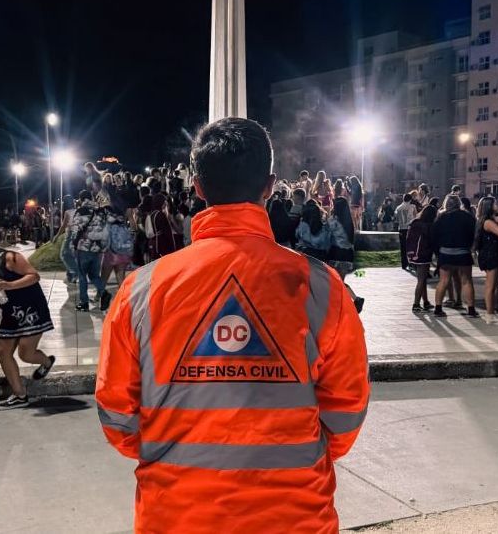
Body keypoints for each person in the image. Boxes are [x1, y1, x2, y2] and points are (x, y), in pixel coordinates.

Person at [96, 118, 369, 532]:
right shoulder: (321, 287)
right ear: (270, 186)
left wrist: (172, 454)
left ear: (198, 187)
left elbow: (117, 416)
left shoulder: (141, 290)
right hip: (294, 517)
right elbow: (345, 414)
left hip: (177, 516)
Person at [0, 236, 55, 410]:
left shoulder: (10, 258)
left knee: (25, 354)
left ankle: (46, 362)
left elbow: (34, 276)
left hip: (31, 310)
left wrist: (9, 285)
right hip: (11, 313)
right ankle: (20, 395)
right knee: (2, 352)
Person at [431, 194, 478, 318]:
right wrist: (470, 246)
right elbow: (474, 233)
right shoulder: (467, 216)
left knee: (443, 281)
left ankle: (438, 308)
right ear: (459, 204)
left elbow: (434, 236)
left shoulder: (441, 218)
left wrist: (437, 252)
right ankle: (471, 309)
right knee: (467, 280)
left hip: (445, 252)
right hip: (463, 252)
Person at [69, 190, 113, 311]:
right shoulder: (100, 211)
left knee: (82, 275)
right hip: (97, 249)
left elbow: (75, 230)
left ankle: (84, 303)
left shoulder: (81, 211)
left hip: (83, 247)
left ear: (81, 199)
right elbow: (105, 229)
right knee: (94, 275)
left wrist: (73, 245)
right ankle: (104, 293)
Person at [475, 196, 498, 325]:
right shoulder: (488, 222)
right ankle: (489, 314)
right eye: (495, 203)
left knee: (496, 284)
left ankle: (492, 311)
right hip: (491, 255)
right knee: (490, 286)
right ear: (489, 206)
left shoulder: (487, 220)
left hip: (493, 253)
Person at [406, 205, 437, 312]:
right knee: (421, 280)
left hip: (413, 253)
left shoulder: (414, 223)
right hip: (424, 254)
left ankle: (426, 301)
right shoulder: (429, 226)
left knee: (422, 279)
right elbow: (432, 241)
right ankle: (416, 303)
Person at [327, 196, 355, 280]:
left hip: (335, 253)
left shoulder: (333, 220)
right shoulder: (349, 222)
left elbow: (327, 235)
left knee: (333, 280)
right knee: (341, 280)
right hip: (347, 254)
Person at [395, 193, 417, 272]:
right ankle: (412, 263)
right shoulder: (412, 207)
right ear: (410, 199)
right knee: (411, 246)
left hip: (401, 229)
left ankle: (404, 264)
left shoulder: (398, 208)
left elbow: (396, 219)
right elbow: (416, 217)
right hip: (410, 228)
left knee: (403, 247)